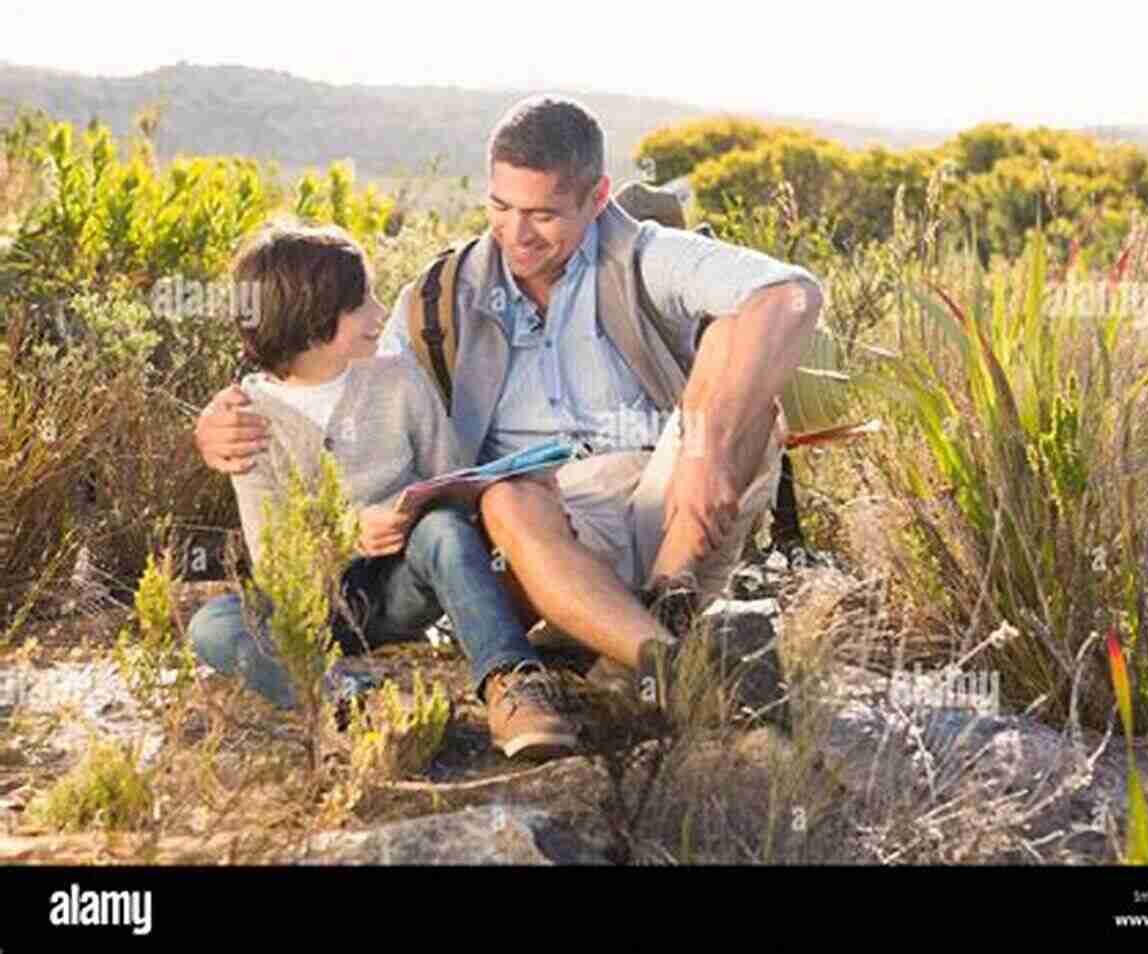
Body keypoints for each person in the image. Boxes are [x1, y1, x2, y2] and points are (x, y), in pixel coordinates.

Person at [193, 95, 824, 728]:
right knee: (507, 499)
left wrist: (703, 450)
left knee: (739, 372)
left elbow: (789, 293)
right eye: (501, 207)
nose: (517, 234)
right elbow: (329, 370)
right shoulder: (442, 296)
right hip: (537, 535)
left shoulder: (643, 257)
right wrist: (219, 422)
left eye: (544, 214)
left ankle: (668, 598)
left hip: (674, 508)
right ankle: (664, 660)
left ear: (597, 196)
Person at [187, 222, 579, 761]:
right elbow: (276, 564)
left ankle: (510, 684)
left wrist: (454, 498)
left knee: (441, 529)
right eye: (362, 303)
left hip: (398, 590)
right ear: (313, 321)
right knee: (213, 624)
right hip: (305, 609)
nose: (379, 315)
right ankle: (347, 700)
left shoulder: (399, 380)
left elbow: (453, 484)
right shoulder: (249, 421)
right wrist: (351, 533)